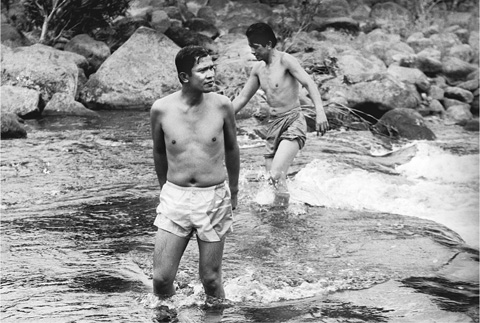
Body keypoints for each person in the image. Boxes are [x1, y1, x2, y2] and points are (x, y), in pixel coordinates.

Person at [150, 45, 240, 301]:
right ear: (184, 77)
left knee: (211, 280)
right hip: (175, 198)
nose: (211, 74)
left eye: (212, 67)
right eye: (203, 70)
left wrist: (233, 191)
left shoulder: (223, 106)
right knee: (161, 278)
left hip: (212, 198)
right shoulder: (161, 109)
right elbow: (159, 152)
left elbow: (233, 148)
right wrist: (164, 189)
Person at [232, 22, 329, 205]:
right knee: (273, 181)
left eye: (256, 47)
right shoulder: (258, 69)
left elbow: (309, 83)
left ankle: (288, 217)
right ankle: (281, 220)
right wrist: (216, 116)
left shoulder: (286, 61)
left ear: (268, 44)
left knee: (276, 174)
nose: (253, 51)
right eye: (251, 47)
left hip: (293, 121)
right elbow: (242, 98)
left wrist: (320, 113)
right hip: (273, 126)